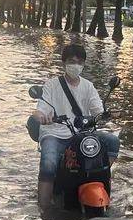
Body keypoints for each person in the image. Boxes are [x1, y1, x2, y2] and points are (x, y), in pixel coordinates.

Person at [31, 43, 119, 211]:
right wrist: (42, 117)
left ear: (83, 64)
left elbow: (98, 110)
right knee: (48, 162)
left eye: (79, 62)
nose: (76, 65)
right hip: (55, 133)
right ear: (64, 63)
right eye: (72, 61)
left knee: (112, 142)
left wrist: (108, 114)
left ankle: (98, 175)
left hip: (81, 135)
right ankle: (44, 207)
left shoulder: (88, 86)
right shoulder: (51, 85)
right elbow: (38, 111)